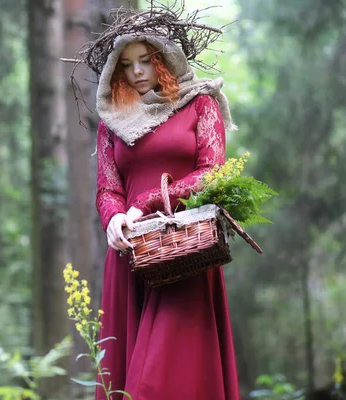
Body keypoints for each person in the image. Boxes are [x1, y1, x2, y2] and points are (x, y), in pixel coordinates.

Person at [94, 33, 241, 400]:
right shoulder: (112, 119)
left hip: (183, 248)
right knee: (126, 376)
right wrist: (113, 217)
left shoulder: (200, 104)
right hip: (130, 252)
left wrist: (145, 203)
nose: (137, 71)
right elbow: (107, 188)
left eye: (145, 60)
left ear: (166, 60)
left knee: (164, 378)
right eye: (126, 65)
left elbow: (212, 172)